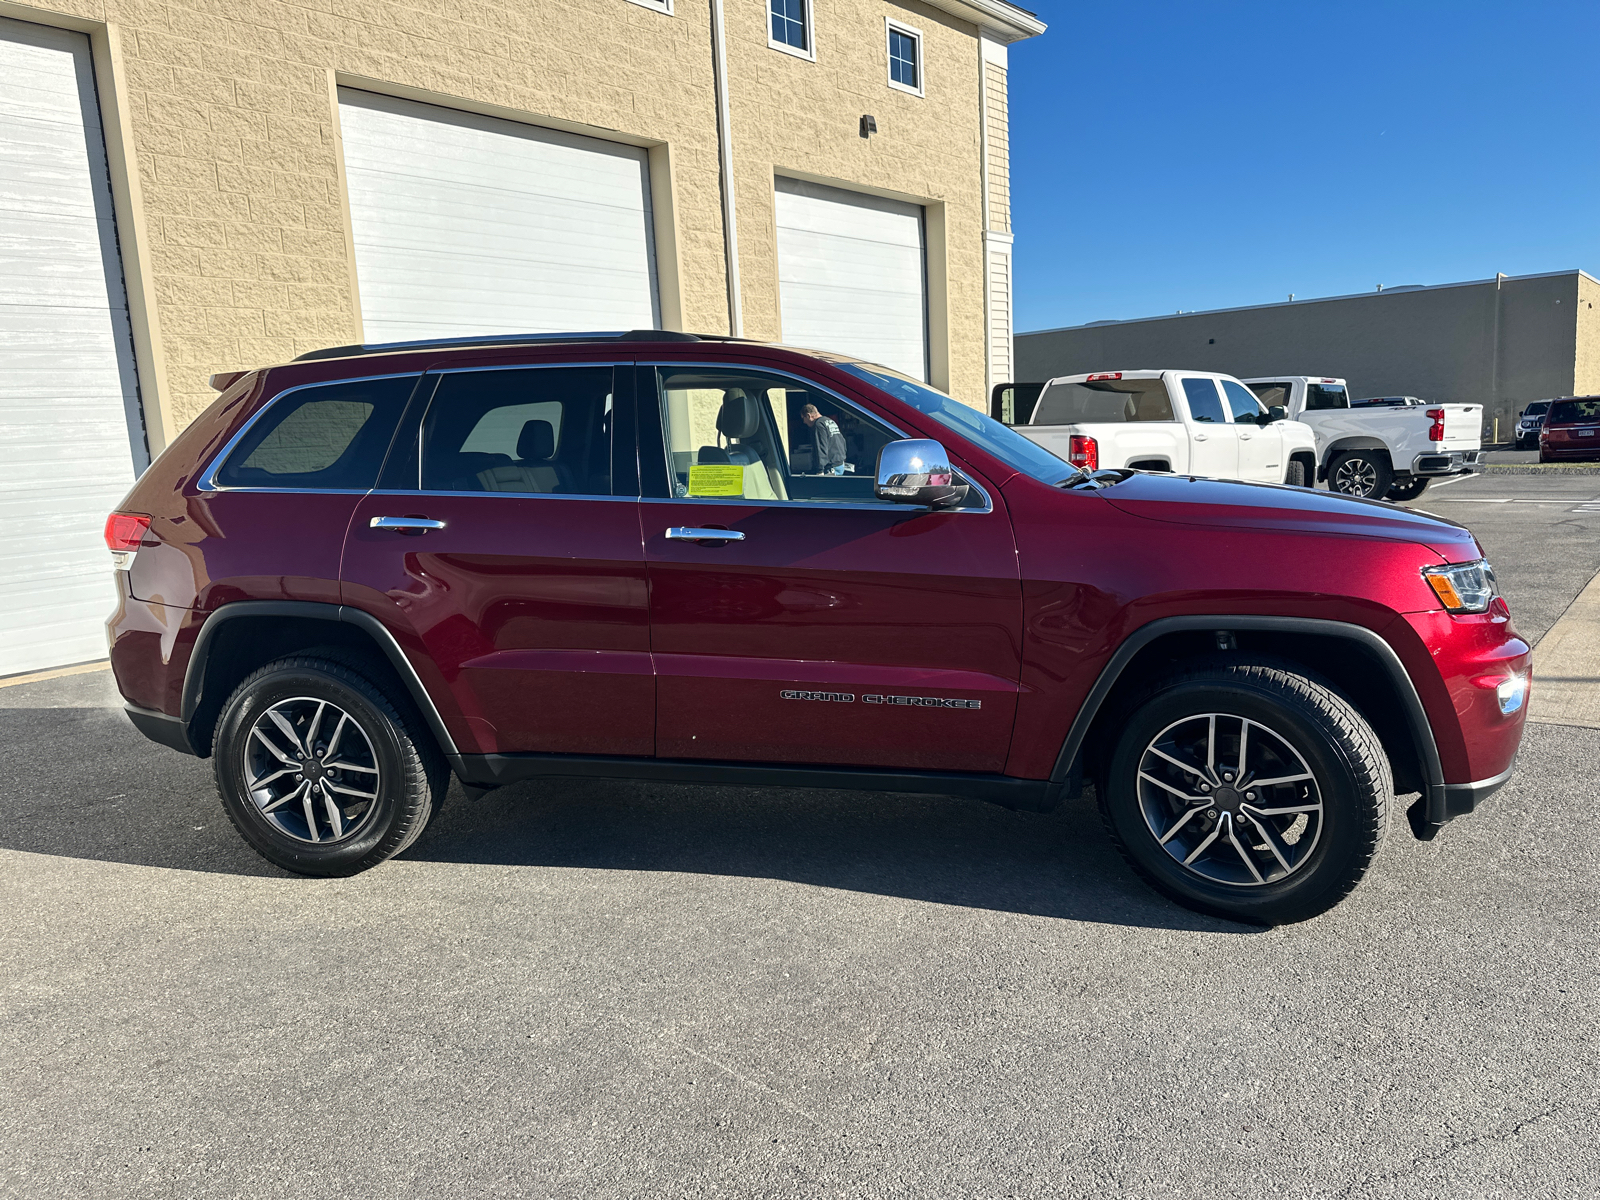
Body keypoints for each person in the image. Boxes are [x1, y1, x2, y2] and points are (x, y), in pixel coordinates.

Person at [801, 403, 847, 475]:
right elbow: (842, 440)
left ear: (808, 416)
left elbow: (821, 447)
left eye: (803, 418)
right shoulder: (830, 421)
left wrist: (820, 470)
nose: (804, 422)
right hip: (840, 464)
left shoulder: (818, 425)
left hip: (830, 467)